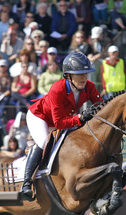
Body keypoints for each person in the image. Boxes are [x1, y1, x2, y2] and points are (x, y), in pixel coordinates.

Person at [21, 51, 102, 200]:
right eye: (80, 74)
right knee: (43, 142)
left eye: (86, 73)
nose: (84, 77)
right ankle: (27, 183)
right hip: (40, 117)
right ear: (68, 76)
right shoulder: (57, 89)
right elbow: (58, 123)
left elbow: (101, 106)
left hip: (62, 118)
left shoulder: (89, 87)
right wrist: (80, 118)